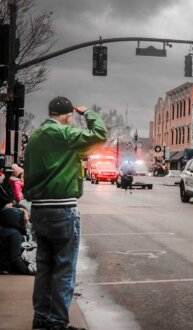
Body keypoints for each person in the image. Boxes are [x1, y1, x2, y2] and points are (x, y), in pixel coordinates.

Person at [24, 96, 107, 330]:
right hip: (62, 208)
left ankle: (40, 318)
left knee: (44, 268)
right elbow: (99, 134)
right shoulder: (65, 135)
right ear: (68, 115)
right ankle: (57, 322)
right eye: (71, 117)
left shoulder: (36, 137)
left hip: (39, 209)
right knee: (64, 268)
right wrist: (88, 112)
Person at [0, 206, 32, 275]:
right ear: (18, 219)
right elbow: (15, 259)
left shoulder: (3, 230)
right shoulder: (15, 234)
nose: (27, 221)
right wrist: (28, 271)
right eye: (25, 220)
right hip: (9, 269)